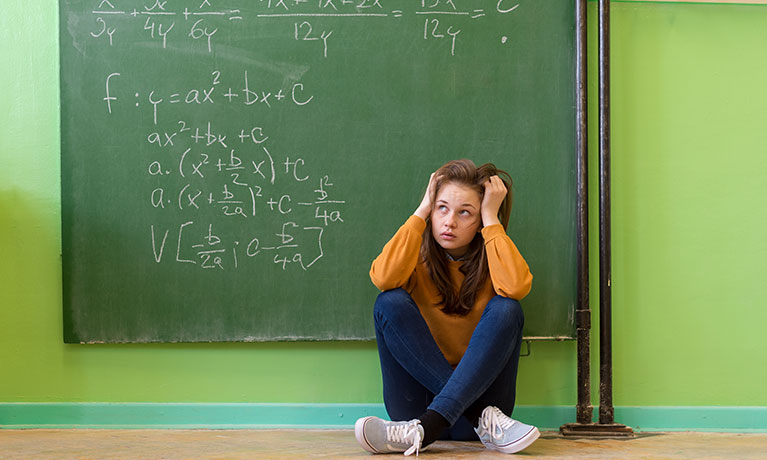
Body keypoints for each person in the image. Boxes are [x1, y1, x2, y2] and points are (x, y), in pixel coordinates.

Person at [354, 159, 538, 456]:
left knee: (508, 309)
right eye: (442, 208)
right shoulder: (413, 255)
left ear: (479, 220)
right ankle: (462, 417)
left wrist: (492, 218)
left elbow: (516, 287)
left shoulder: (495, 258)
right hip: (425, 408)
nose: (449, 221)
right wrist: (422, 210)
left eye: (465, 212)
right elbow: (383, 278)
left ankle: (427, 428)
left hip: (473, 418)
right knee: (389, 302)